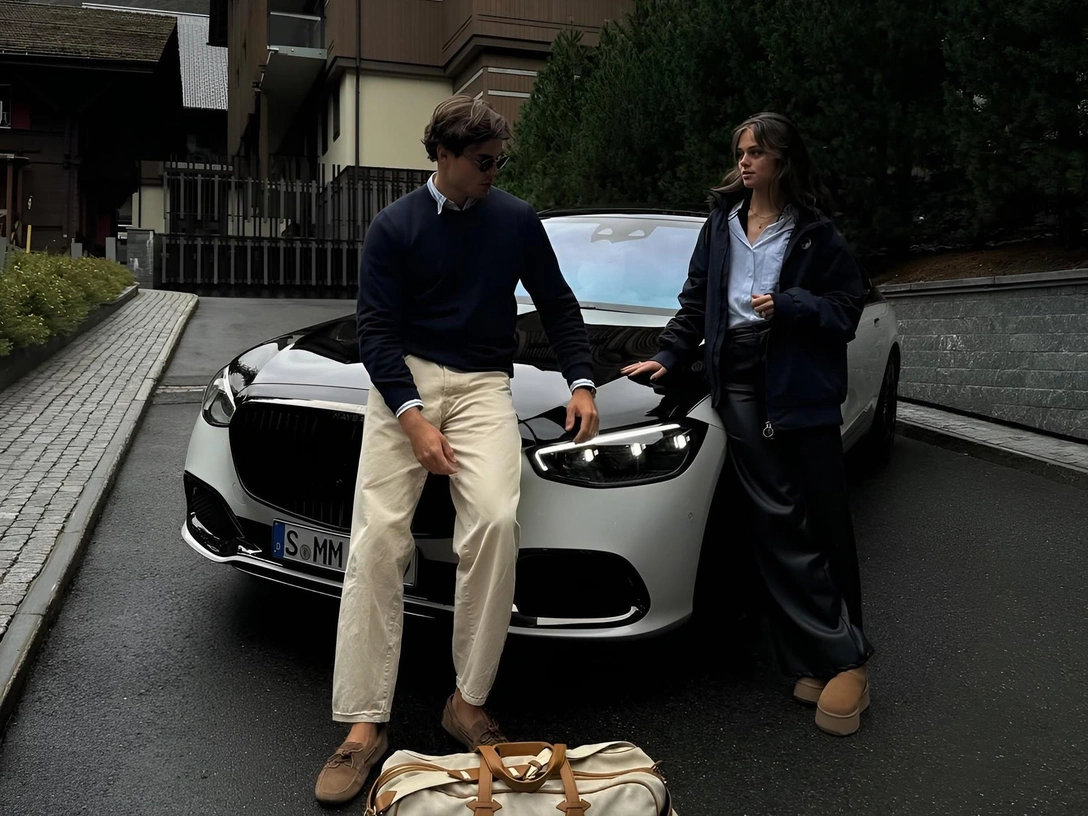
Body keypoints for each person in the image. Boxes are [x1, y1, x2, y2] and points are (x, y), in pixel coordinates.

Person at [314, 95, 600, 805]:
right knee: (377, 536)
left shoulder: (516, 220)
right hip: (403, 379)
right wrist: (412, 419)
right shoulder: (394, 226)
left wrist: (582, 382)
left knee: (496, 521)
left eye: (500, 160)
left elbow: (558, 304)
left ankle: (466, 702)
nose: (495, 172)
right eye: (483, 162)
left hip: (482, 384)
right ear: (443, 155)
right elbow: (376, 332)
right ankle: (363, 724)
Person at [622, 112, 874, 737]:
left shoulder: (816, 234)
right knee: (778, 516)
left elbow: (846, 311)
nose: (744, 161)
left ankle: (834, 657)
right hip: (738, 382)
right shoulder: (721, 224)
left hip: (801, 385)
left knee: (823, 517)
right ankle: (835, 658)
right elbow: (695, 302)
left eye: (757, 151)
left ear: (783, 159)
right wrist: (670, 354)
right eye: (740, 151)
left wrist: (788, 305)